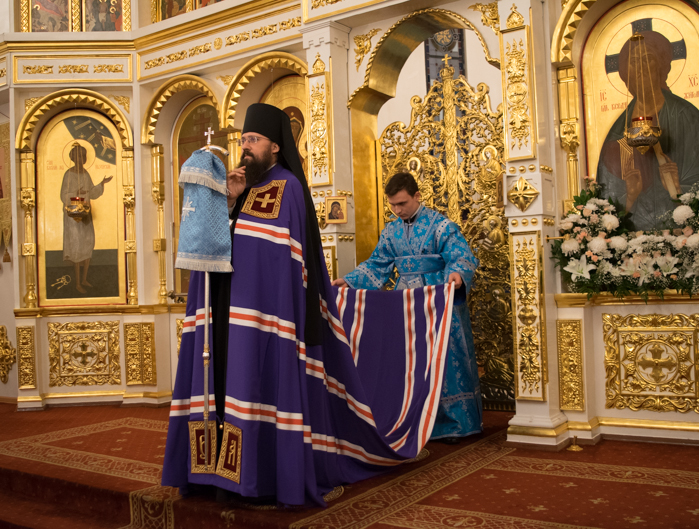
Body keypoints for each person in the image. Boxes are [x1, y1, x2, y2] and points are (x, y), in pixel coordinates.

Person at [163, 104, 457, 508]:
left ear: (275, 147)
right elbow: (218, 248)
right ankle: (211, 472)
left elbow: (278, 258)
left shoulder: (287, 188)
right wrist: (227, 202)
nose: (246, 147)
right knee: (221, 386)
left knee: (254, 388)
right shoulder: (240, 186)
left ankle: (256, 479)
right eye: (244, 140)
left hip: (267, 319)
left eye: (254, 140)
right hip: (226, 312)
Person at [332, 172, 483, 444]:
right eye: (392, 205)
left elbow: (461, 255)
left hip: (438, 300)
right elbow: (377, 263)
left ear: (417, 196)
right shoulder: (391, 232)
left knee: (445, 358)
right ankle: (416, 420)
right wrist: (350, 280)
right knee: (412, 360)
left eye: (402, 203)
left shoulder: (441, 226)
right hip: (407, 306)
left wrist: (457, 273)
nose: (397, 210)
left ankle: (457, 423)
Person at [597, 30, 699, 231]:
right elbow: (607, 196)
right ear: (625, 73)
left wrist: (677, 187)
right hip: (633, 235)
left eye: (648, 59)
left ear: (661, 66)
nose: (640, 68)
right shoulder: (617, 132)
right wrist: (629, 195)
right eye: (634, 62)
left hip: (683, 233)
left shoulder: (687, 116)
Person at [60, 142, 112, 294]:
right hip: (73, 216)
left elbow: (92, 192)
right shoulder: (69, 174)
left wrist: (102, 184)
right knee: (77, 247)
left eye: (84, 156)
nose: (82, 159)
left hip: (85, 214)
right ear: (73, 157)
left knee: (87, 244)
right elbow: (63, 195)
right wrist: (77, 192)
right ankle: (77, 283)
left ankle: (84, 279)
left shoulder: (85, 173)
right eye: (80, 156)